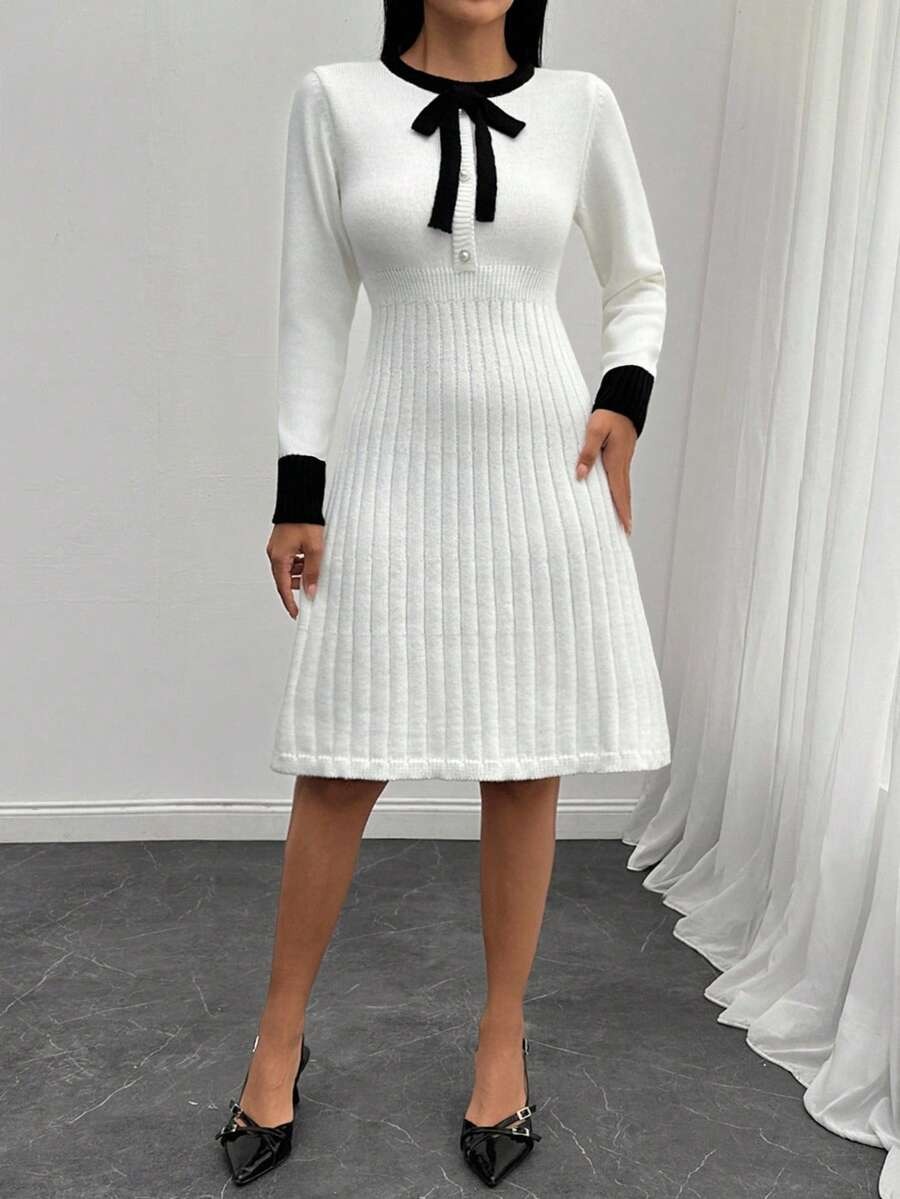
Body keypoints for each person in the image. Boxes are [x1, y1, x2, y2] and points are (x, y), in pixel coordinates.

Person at [215, 0, 669, 1188]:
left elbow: (639, 279)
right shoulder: (335, 101)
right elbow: (314, 307)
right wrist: (300, 490)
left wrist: (623, 399)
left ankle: (501, 1036)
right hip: (393, 462)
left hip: (541, 470)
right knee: (342, 757)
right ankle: (277, 1037)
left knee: (525, 759)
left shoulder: (580, 106)